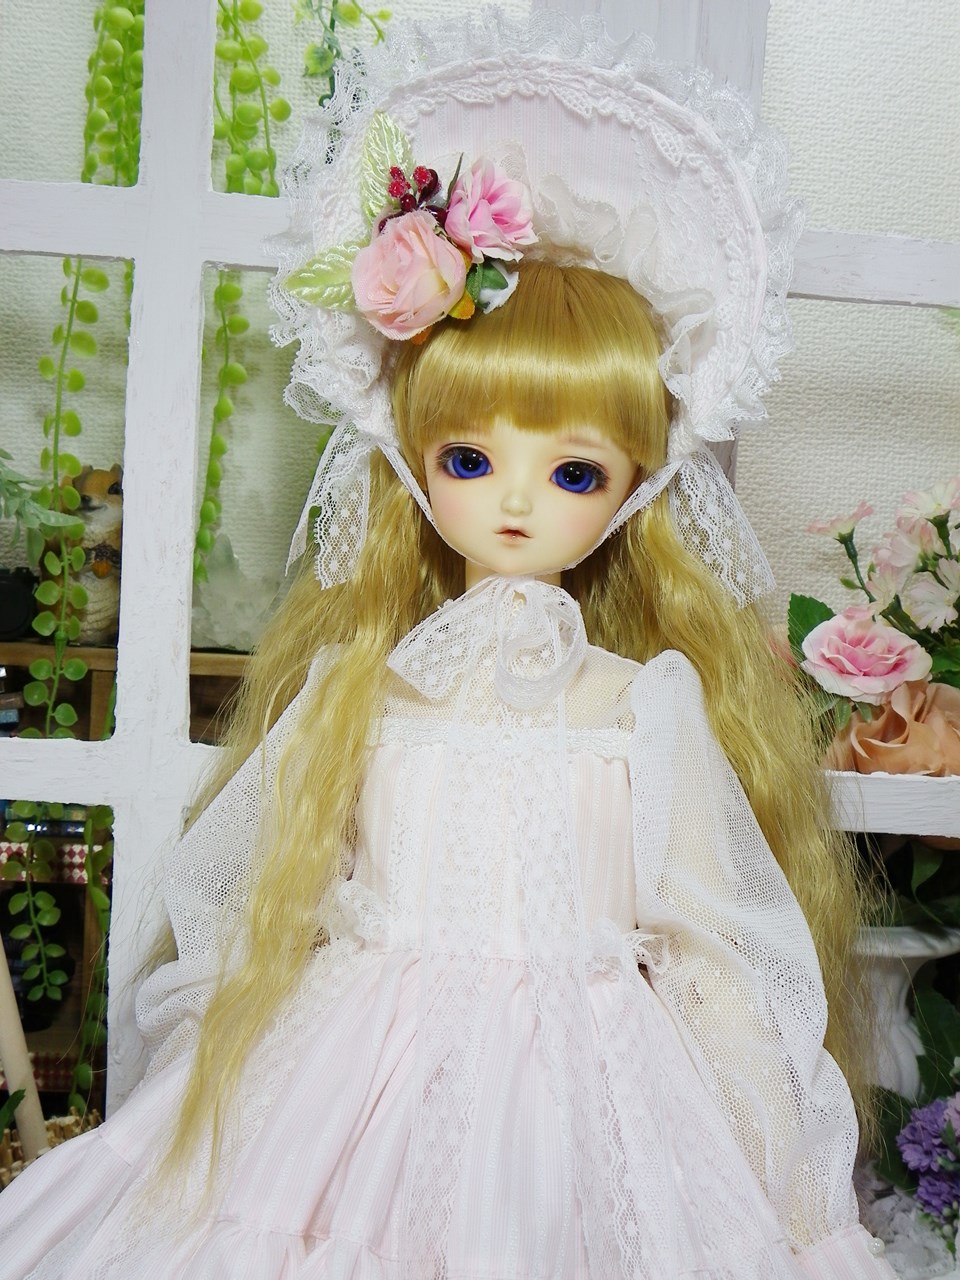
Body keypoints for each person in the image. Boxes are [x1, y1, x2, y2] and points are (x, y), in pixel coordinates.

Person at [0, 15, 899, 1278]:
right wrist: (204, 1084)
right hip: (353, 1087)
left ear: (637, 490)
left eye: (575, 471)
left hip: (593, 1098)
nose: (517, 501)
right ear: (411, 461)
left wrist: (799, 1206)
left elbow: (718, 962)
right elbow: (253, 912)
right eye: (469, 459)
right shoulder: (361, 692)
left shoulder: (639, 705)